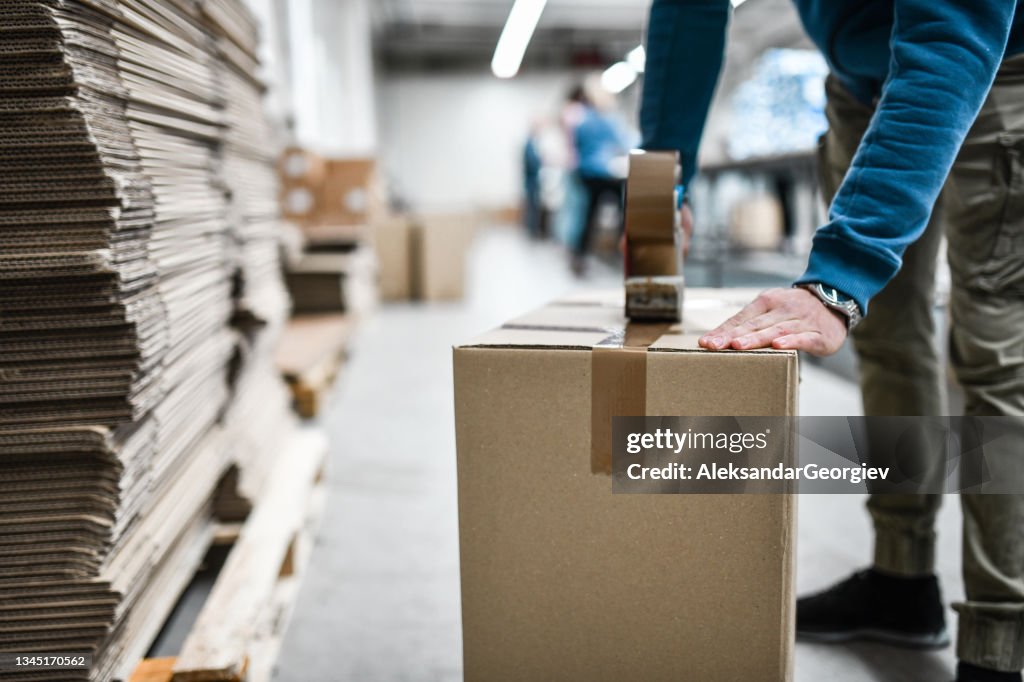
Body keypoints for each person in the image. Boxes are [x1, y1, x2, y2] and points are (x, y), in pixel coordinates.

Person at [639, 2, 1024, 681]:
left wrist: (839, 276)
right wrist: (661, 179)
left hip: (996, 70)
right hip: (861, 85)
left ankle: (1002, 642)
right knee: (887, 342)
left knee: (995, 354)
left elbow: (951, 32)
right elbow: (689, 8)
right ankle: (902, 581)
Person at [570, 82, 631, 275]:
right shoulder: (610, 120)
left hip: (588, 173)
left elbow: (577, 146)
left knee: (589, 215)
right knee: (623, 213)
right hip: (608, 174)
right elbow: (624, 142)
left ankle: (579, 256)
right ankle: (623, 252)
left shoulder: (583, 121)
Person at [522, 120, 545, 239]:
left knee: (533, 207)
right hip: (531, 182)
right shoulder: (529, 144)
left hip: (533, 182)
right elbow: (532, 163)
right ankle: (532, 232)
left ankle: (533, 231)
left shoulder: (533, 144)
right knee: (532, 207)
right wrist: (542, 160)